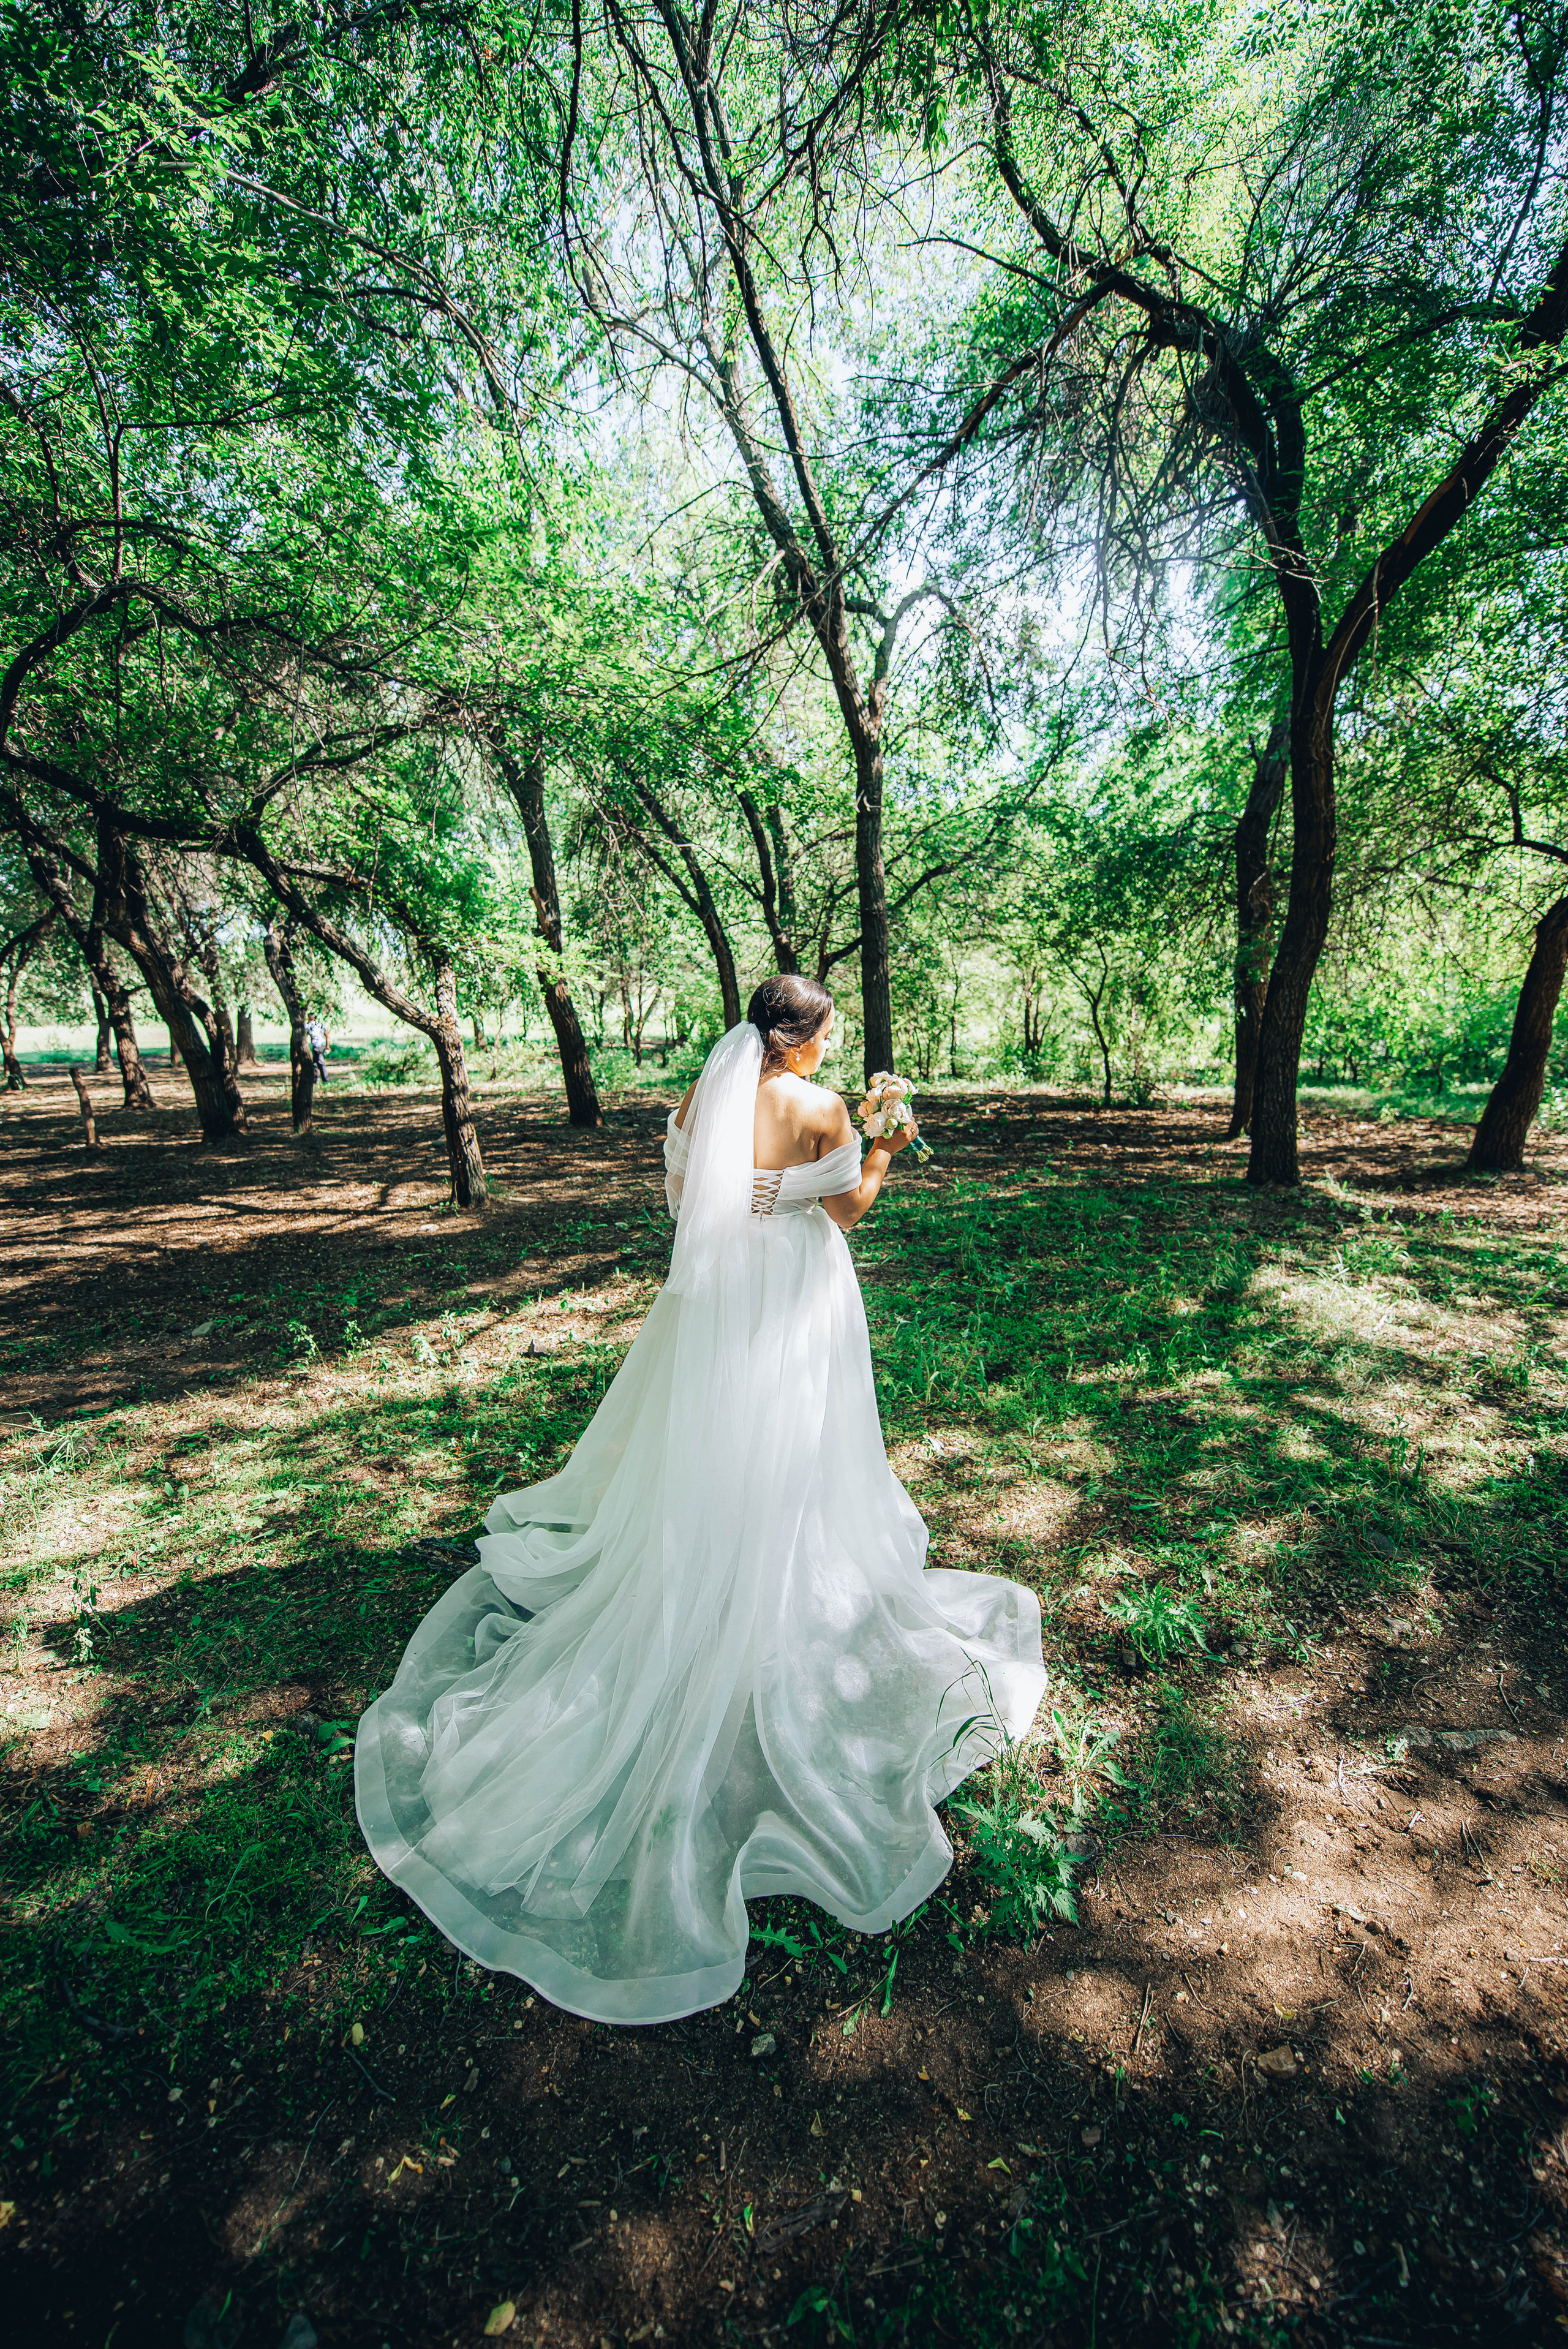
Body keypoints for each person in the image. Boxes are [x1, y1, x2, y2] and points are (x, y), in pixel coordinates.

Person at [355, 975, 1045, 2024]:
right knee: (794, 1449)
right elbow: (850, 1206)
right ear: (801, 1041)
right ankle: (778, 1589)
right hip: (794, 1297)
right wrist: (889, 1140)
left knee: (714, 1446)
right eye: (829, 1033)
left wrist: (754, 1197)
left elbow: (683, 1200)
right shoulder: (818, 1110)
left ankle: (711, 1571)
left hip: (720, 1304)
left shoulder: (702, 1100)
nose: (833, 1046)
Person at [304, 1011, 330, 1086]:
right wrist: (328, 1046)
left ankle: (325, 1079)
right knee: (314, 1063)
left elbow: (304, 1036)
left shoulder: (308, 1026)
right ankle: (316, 1079)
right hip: (322, 1045)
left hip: (316, 1047)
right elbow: (327, 1036)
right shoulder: (320, 1025)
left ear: (308, 1018)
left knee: (320, 1062)